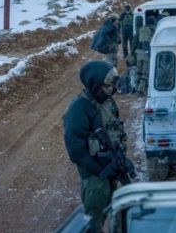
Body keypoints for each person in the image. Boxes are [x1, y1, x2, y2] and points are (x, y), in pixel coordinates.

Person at [63, 61, 134, 233]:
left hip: (111, 170)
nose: (112, 90)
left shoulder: (107, 103)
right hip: (95, 178)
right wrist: (100, 169)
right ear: (95, 85)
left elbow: (117, 132)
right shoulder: (79, 108)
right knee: (94, 222)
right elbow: (76, 150)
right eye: (108, 87)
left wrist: (122, 160)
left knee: (117, 212)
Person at [134, 15, 157, 95]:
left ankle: (135, 87)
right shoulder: (153, 29)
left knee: (138, 71)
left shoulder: (140, 29)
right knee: (145, 73)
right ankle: (140, 90)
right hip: (147, 53)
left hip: (139, 52)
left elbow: (134, 41)